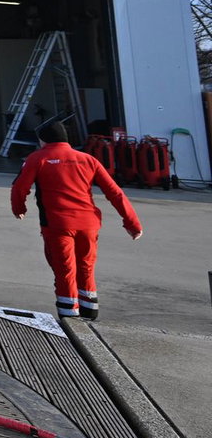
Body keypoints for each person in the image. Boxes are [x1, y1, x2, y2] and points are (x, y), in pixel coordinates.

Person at [11, 120, 142, 320]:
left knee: (64, 270)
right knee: (86, 267)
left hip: (58, 224)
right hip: (89, 224)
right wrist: (132, 223)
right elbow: (115, 193)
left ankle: (70, 318)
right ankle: (89, 313)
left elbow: (20, 187)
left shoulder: (38, 158)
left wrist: (19, 208)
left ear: (44, 140)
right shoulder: (88, 160)